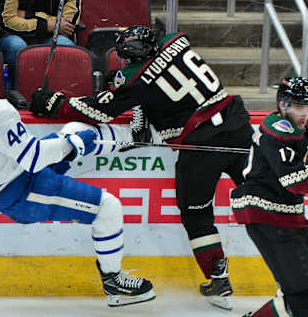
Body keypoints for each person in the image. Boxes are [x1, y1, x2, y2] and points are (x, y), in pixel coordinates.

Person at [30, 25, 255, 310]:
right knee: (268, 199)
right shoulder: (177, 43)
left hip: (201, 146)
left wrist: (53, 103)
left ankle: (219, 279)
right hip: (239, 129)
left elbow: (99, 110)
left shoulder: (134, 78)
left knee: (196, 213)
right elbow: (163, 90)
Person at [0, 62, 156, 307]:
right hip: (19, 194)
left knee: (74, 129)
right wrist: (73, 145)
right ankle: (113, 280)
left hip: (8, 176)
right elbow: (33, 158)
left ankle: (137, 137)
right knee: (109, 207)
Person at [230, 77, 308, 317]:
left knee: (300, 294)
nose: (304, 113)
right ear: (283, 106)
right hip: (266, 216)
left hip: (288, 216)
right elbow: (294, 181)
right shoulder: (277, 129)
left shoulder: (298, 127)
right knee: (300, 296)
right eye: (299, 107)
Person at [0, 0, 80, 88]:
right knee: (17, 46)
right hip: (14, 34)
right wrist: (47, 25)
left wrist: (27, 15)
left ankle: (58, 94)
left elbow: (69, 23)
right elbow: (7, 21)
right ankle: (16, 93)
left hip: (50, 36)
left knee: (65, 47)